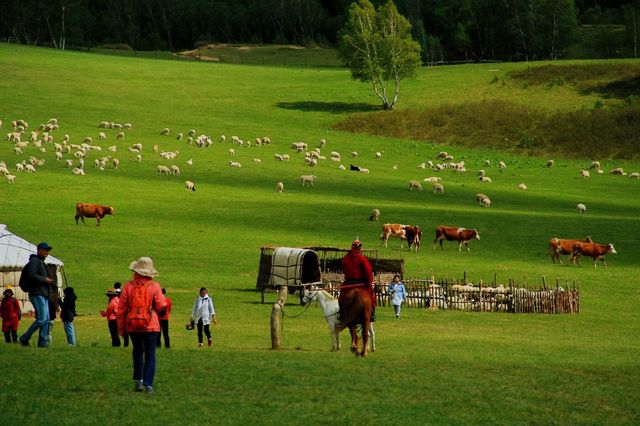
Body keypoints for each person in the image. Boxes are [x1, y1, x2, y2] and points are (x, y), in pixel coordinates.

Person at [117, 257, 166, 394]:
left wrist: (121, 329)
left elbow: (121, 309)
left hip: (133, 324)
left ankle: (138, 380)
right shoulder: (154, 286)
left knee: (137, 351)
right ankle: (148, 384)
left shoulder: (128, 286)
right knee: (150, 354)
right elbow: (161, 305)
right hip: (151, 325)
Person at [19, 242, 54, 347]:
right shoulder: (35, 261)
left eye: (48, 250)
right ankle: (24, 338)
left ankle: (42, 342)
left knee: (46, 320)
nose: (47, 252)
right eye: (45, 250)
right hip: (36, 292)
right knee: (42, 319)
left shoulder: (41, 262)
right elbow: (31, 275)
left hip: (43, 293)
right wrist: (45, 280)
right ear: (39, 250)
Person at [339, 239, 375, 321]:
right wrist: (369, 282)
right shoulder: (363, 259)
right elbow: (368, 271)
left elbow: (344, 270)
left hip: (348, 284)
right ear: (360, 248)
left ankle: (341, 314)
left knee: (341, 298)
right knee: (371, 296)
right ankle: (372, 314)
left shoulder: (345, 259)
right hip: (361, 283)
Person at [113, 282, 129, 347]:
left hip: (117, 312)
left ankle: (118, 343)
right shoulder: (122, 291)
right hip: (124, 312)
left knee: (116, 329)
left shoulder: (113, 292)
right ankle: (126, 343)